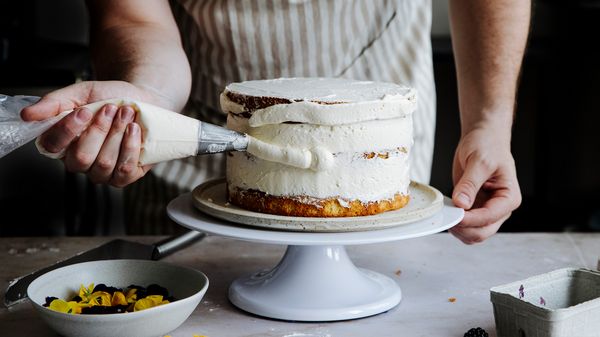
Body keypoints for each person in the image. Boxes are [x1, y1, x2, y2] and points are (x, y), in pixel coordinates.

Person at [21, 0, 527, 243]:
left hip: (377, 140)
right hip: (202, 151)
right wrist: (148, 100)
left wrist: (489, 122)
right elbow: (135, 16)